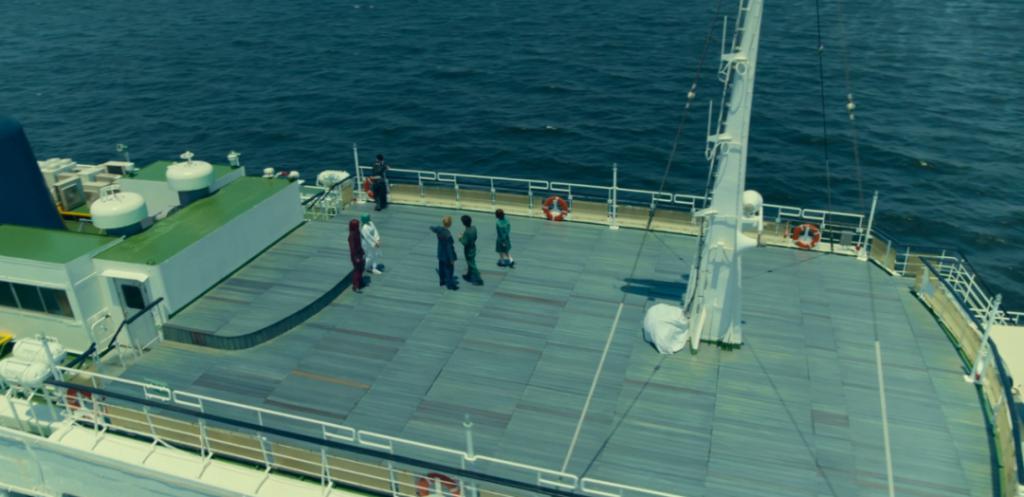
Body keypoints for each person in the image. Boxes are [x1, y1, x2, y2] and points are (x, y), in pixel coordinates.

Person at [430, 216, 459, 290]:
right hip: (447, 256)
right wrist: (452, 259)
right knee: (449, 270)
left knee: (441, 268)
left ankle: (442, 282)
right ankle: (450, 285)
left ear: (443, 222)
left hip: (440, 253)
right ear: (450, 224)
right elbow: (449, 248)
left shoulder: (439, 229)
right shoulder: (448, 235)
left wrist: (432, 227)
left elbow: (433, 228)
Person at [459, 215, 483, 286]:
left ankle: (479, 279)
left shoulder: (467, 232)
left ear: (463, 223)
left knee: (472, 265)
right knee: (470, 263)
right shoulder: (474, 228)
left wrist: (460, 238)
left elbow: (464, 243)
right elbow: (475, 237)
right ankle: (469, 275)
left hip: (468, 250)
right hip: (473, 248)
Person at [348, 219, 366, 293]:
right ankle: (355, 286)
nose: (358, 226)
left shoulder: (357, 232)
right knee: (357, 270)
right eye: (357, 225)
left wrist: (362, 252)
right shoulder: (352, 235)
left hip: (360, 253)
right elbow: (352, 248)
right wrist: (356, 257)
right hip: (356, 255)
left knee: (361, 269)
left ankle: (360, 282)